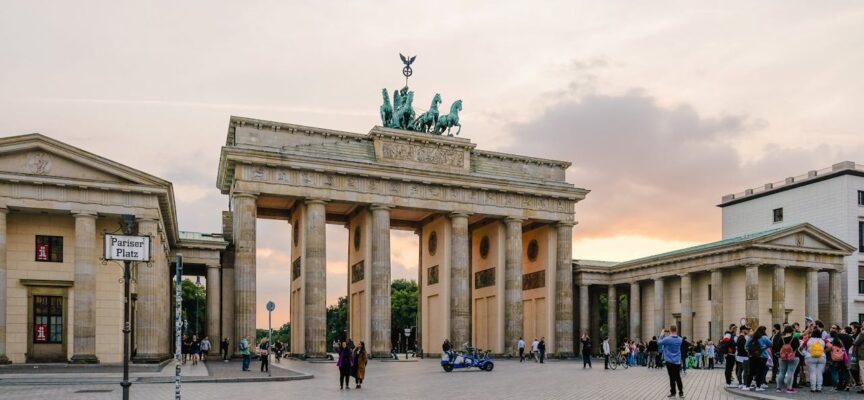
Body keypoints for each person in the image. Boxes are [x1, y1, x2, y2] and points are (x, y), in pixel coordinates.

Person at [658, 326, 684, 398]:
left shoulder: (667, 339)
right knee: (678, 377)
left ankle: (673, 393)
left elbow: (659, 343)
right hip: (677, 360)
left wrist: (661, 334)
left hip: (669, 360)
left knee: (672, 377)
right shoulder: (680, 339)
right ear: (676, 330)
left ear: (670, 330)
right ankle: (681, 393)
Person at [802, 325, 828, 392]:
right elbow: (830, 346)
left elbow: (801, 348)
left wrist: (805, 353)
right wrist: (824, 351)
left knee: (812, 372)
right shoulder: (823, 340)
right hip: (821, 357)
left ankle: (813, 388)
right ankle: (819, 388)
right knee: (819, 373)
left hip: (810, 357)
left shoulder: (808, 340)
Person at [745, 325, 771, 392]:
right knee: (760, 372)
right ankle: (758, 387)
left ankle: (747, 386)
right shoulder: (765, 338)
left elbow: (746, 346)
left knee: (751, 371)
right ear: (763, 331)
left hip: (752, 356)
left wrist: (751, 352)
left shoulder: (752, 337)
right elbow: (771, 344)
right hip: (762, 357)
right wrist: (764, 347)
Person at [776, 325, 801, 394]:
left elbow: (778, 347)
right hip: (793, 357)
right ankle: (789, 388)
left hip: (782, 357)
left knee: (781, 372)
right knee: (790, 372)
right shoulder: (795, 338)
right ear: (792, 331)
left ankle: (778, 388)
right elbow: (797, 347)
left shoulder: (781, 339)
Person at [736, 326, 751, 390]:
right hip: (744, 356)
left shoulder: (739, 337)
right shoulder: (742, 338)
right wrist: (748, 353)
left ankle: (740, 384)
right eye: (746, 330)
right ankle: (745, 385)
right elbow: (744, 348)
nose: (747, 331)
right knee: (746, 371)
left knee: (740, 370)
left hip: (739, 356)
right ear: (743, 330)